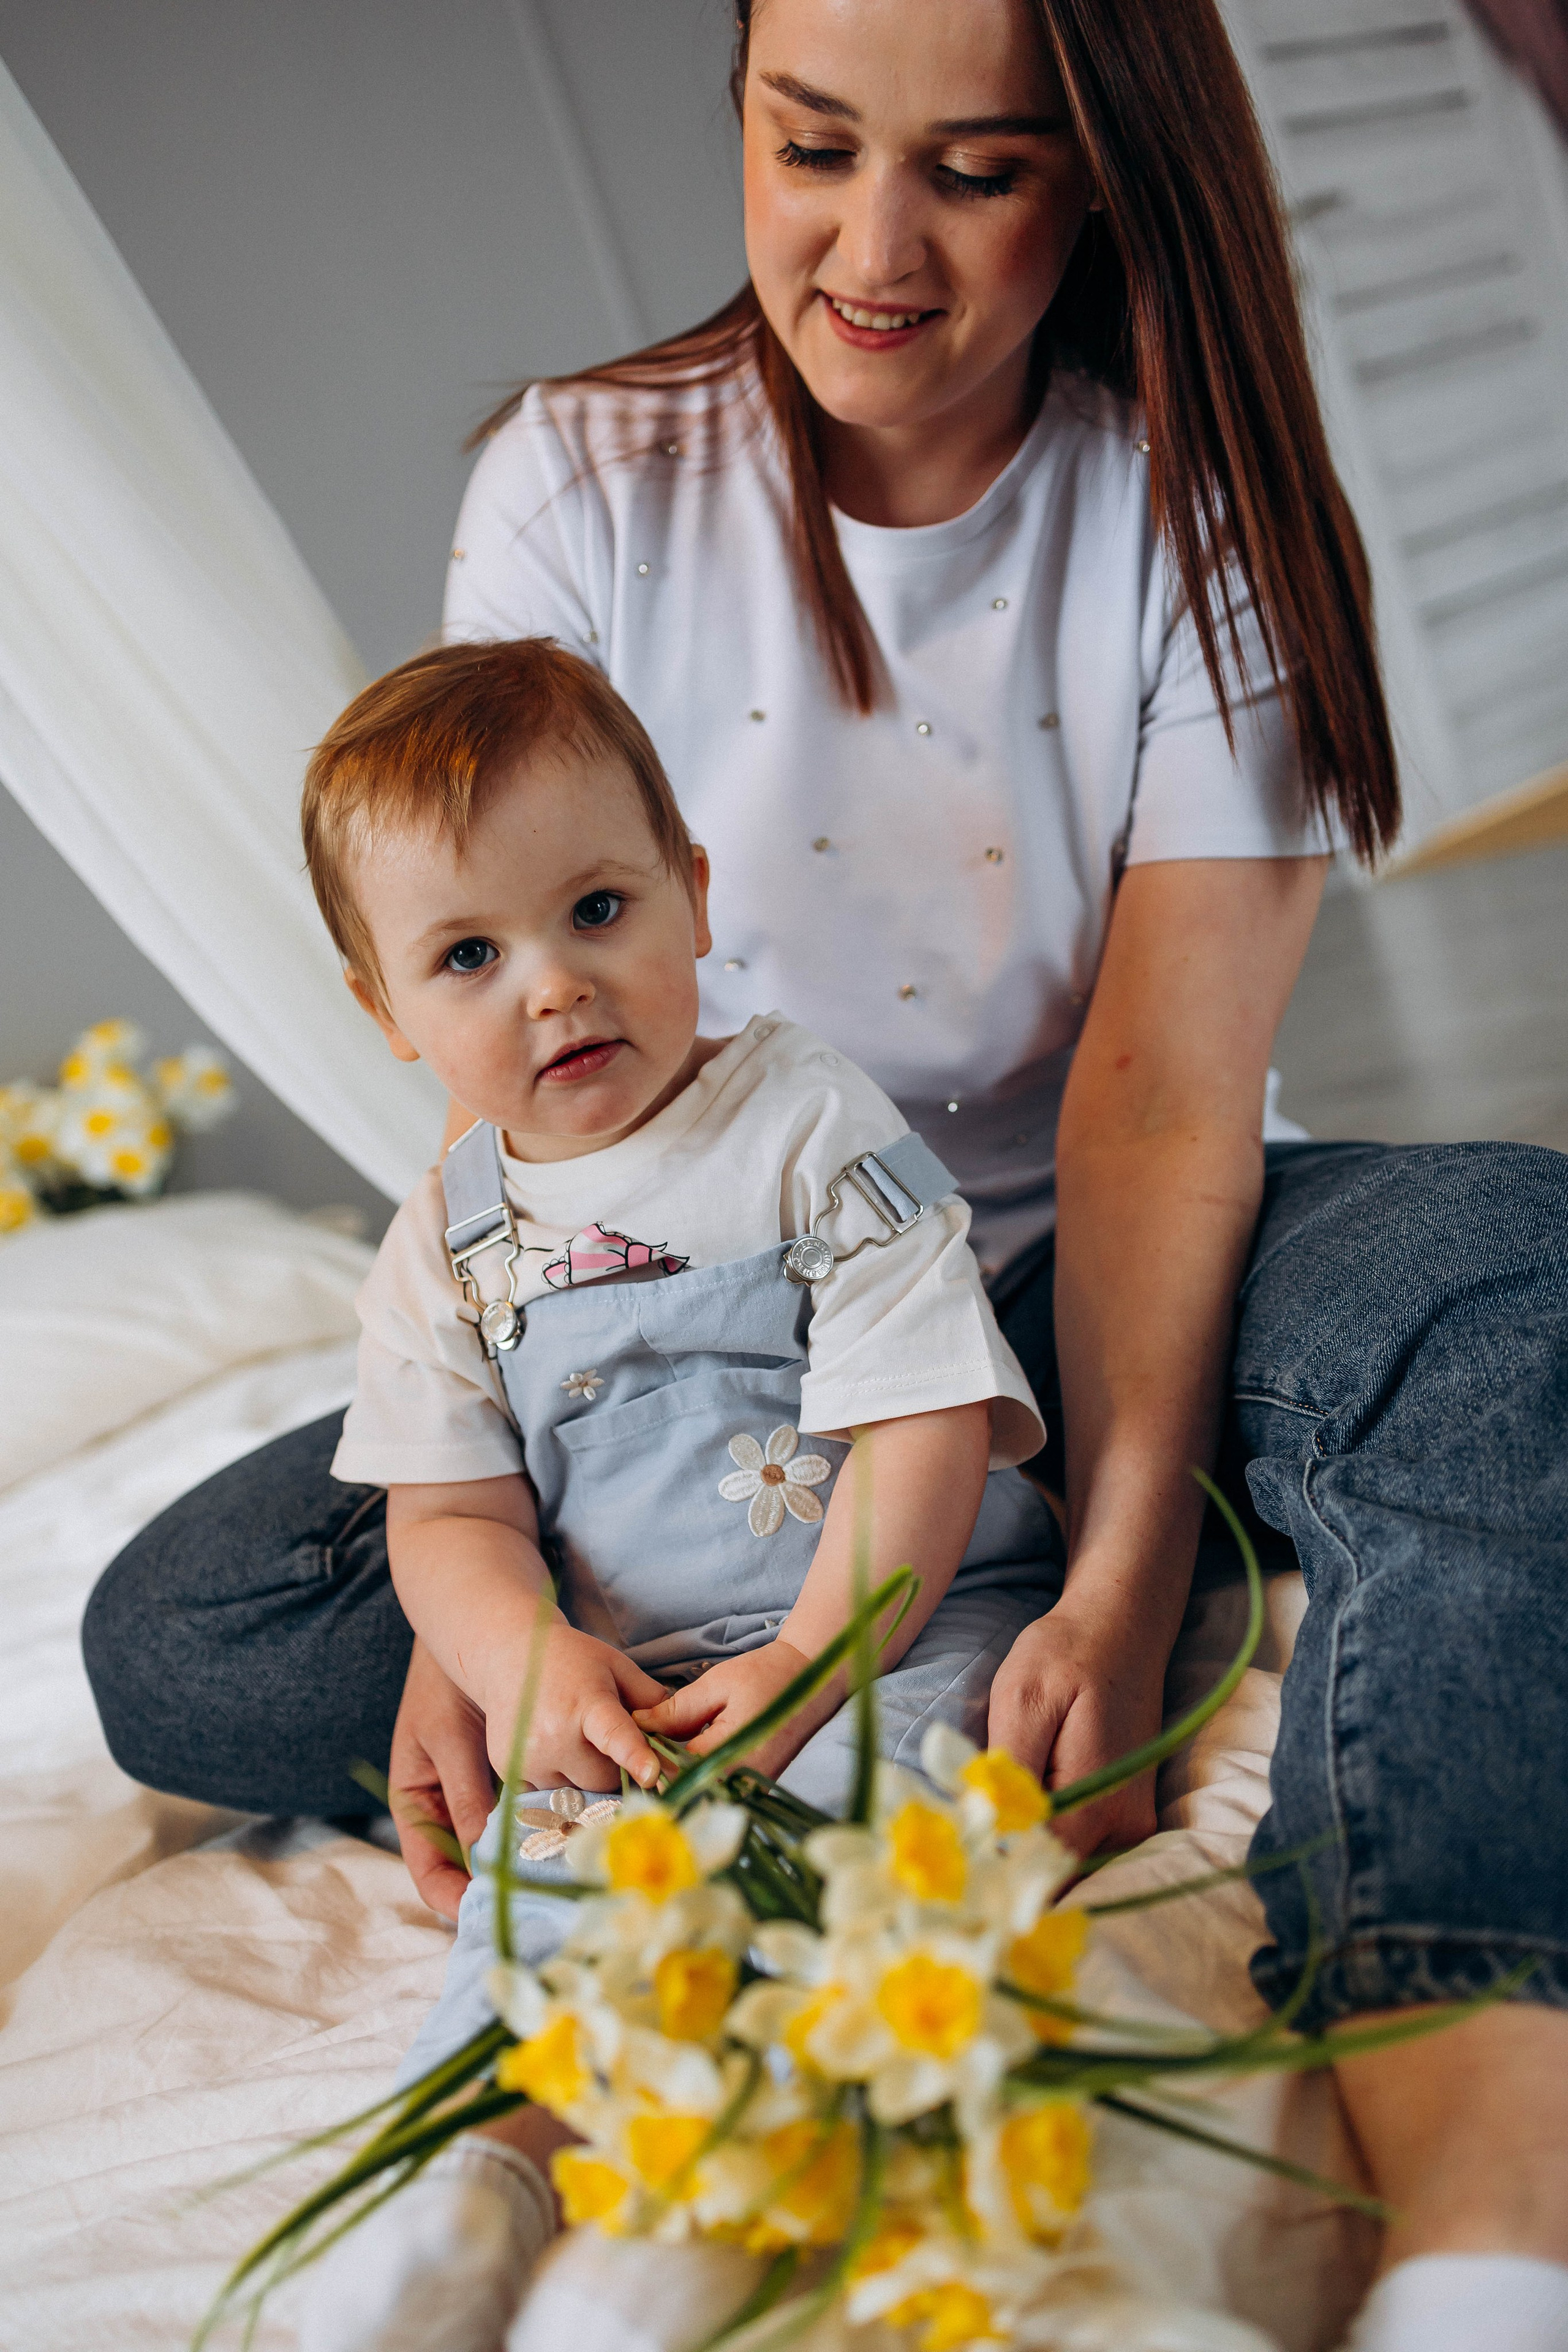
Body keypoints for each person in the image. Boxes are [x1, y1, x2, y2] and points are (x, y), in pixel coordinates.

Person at [83, 2, 1568, 2346]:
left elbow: (1164, 1103)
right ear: (746, 117)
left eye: (978, 172)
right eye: (810, 147)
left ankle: (1495, 2238)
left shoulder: (1194, 516)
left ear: (1103, 181)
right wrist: (502, 1602)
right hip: (698, 1348)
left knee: (1513, 1269)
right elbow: (500, 1006)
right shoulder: (584, 481)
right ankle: (714, 1694)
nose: (875, 247)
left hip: (1126, 1261)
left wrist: (1131, 1554)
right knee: (177, 1626)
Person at [292, 631, 1057, 2348]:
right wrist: (522, 1665)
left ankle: (718, 2191)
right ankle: (477, 2185)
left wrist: (813, 1660)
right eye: (470, 955)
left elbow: (920, 1430)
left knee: (881, 1832)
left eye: (597, 913)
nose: (552, 987)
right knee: (548, 1883)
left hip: (889, 1616)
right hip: (631, 1679)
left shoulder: (801, 1126)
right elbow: (455, 1518)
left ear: (694, 896)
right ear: (387, 1013)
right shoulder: (451, 1243)